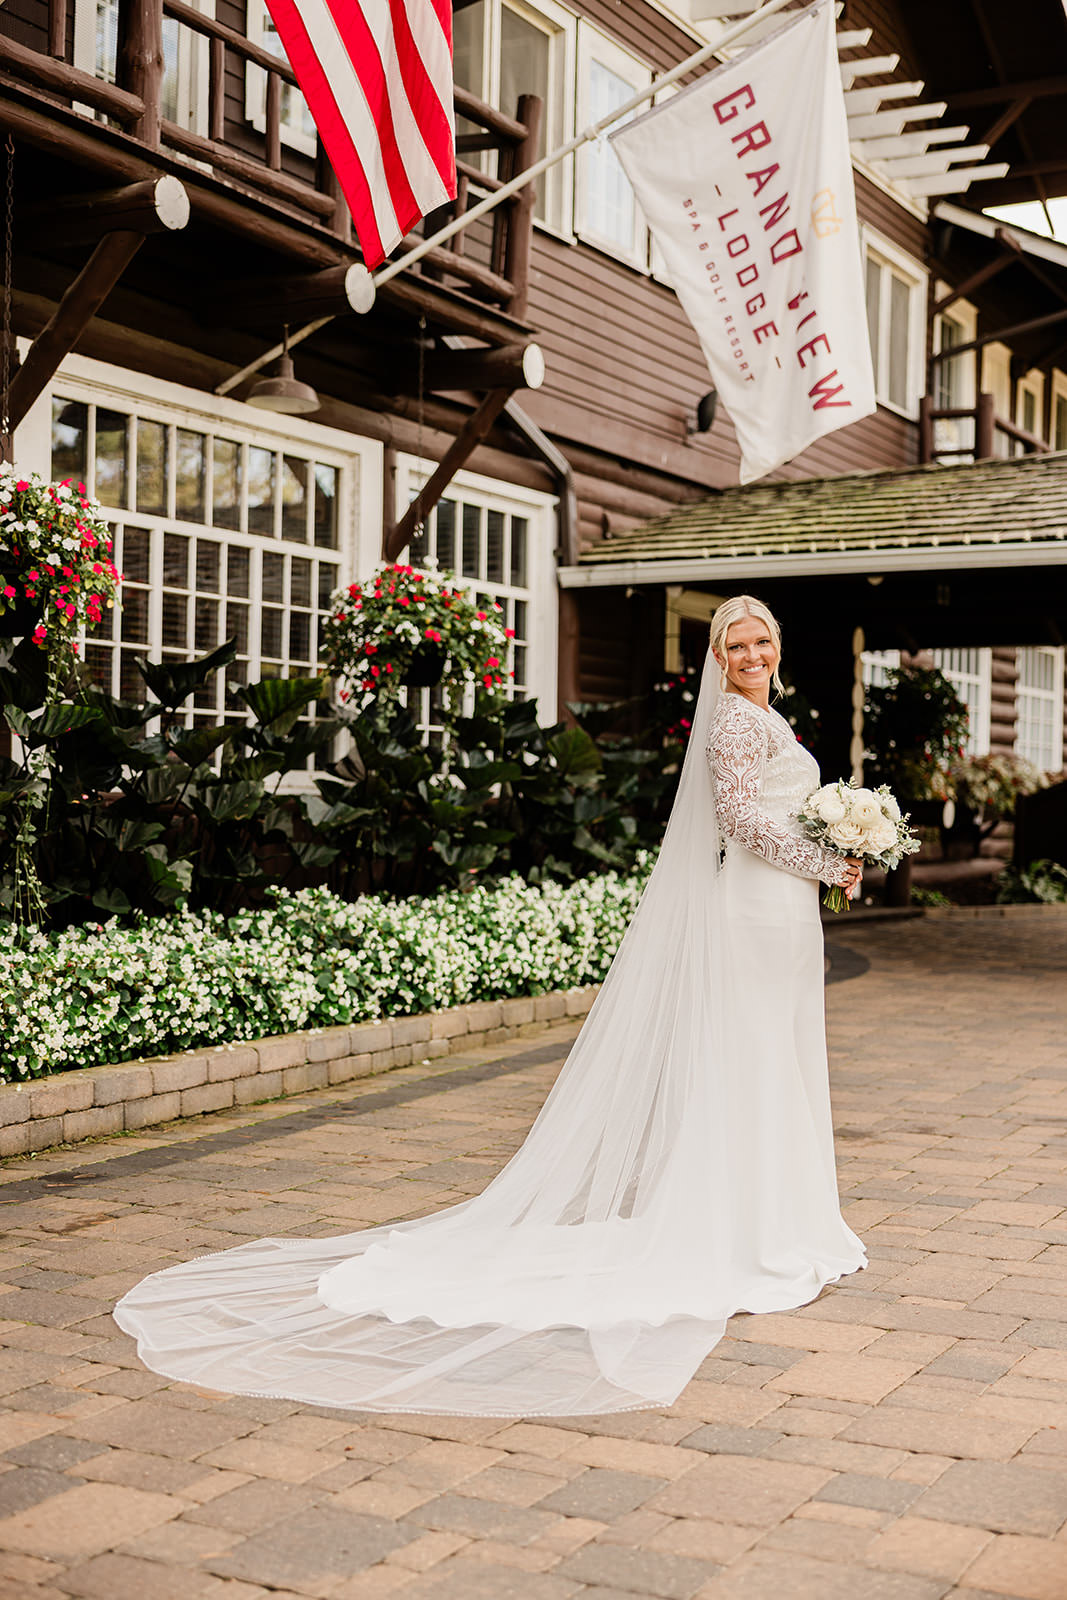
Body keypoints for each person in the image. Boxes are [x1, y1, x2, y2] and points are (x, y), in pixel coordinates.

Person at [115, 594, 866, 1417]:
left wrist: (839, 848)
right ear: (717, 657)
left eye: (761, 641)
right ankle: (747, 1229)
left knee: (781, 1055)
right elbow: (735, 820)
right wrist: (824, 861)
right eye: (736, 643)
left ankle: (780, 1216)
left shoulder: (772, 716)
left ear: (777, 647)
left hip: (786, 908)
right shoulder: (729, 723)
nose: (751, 653)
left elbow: (778, 814)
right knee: (752, 1059)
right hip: (755, 908)